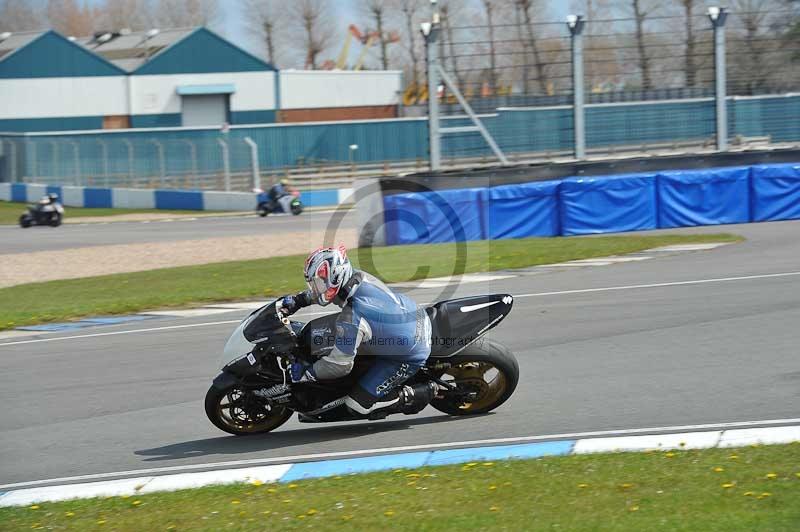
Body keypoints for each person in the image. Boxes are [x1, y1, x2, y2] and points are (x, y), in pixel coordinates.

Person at [279, 245, 435, 417]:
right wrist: (300, 300)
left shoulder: (353, 316)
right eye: (314, 283)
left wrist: (307, 373)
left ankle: (415, 393)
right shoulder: (357, 277)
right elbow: (330, 291)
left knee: (357, 406)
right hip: (411, 315)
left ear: (336, 276)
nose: (317, 288)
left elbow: (339, 366)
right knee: (319, 334)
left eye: (320, 283)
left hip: (409, 353)